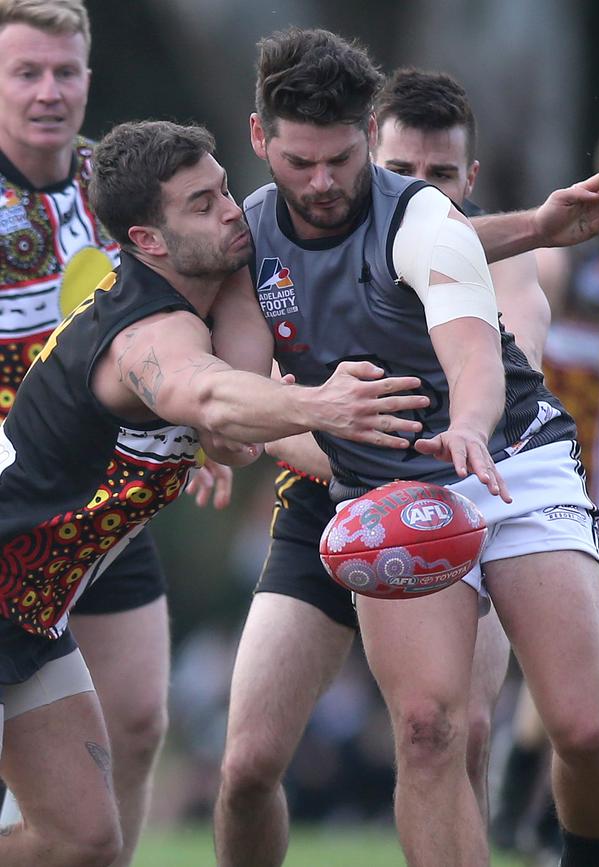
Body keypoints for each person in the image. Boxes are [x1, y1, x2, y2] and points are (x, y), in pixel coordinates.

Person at [216, 27, 599, 867]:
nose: (324, 182)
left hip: (509, 458)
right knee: (427, 729)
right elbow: (239, 394)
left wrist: (471, 429)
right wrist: (241, 434)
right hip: (383, 486)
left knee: (585, 727)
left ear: (365, 136)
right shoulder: (247, 236)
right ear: (261, 138)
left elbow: (475, 356)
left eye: (340, 159)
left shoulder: (423, 218)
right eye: (300, 162)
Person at [0, 117, 429, 867]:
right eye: (202, 204)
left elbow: (242, 422)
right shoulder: (145, 334)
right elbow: (213, 398)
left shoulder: (215, 293)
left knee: (83, 840)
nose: (233, 210)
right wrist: (325, 403)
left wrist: (415, 473)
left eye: (226, 189)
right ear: (148, 240)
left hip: (29, 611)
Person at [0, 3, 227, 862]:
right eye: (26, 72)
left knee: (136, 718)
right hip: (18, 503)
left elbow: (193, 308)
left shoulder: (122, 188)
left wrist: (196, 426)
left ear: (91, 78)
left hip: (106, 504)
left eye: (66, 72)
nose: (49, 92)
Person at [491, 116, 599, 865]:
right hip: (565, 497)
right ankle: (531, 811)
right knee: (588, 677)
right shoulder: (564, 271)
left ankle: (527, 792)